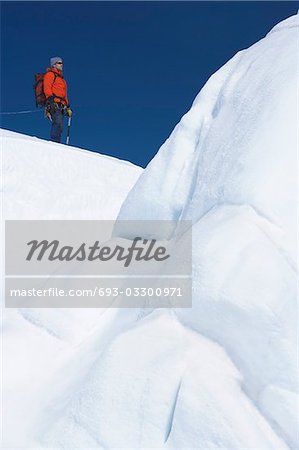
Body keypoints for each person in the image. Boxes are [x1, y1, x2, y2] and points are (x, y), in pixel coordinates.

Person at [44, 57, 72, 143]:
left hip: (62, 105)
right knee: (58, 123)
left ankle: (56, 143)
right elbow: (47, 87)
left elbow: (64, 94)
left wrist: (68, 107)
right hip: (54, 103)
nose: (61, 65)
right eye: (59, 63)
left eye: (62, 63)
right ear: (54, 64)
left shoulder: (62, 80)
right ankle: (54, 143)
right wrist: (51, 101)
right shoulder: (50, 74)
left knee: (60, 126)